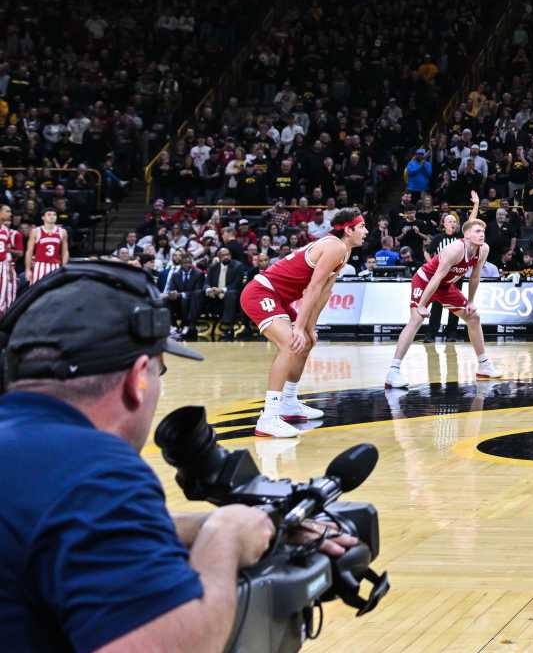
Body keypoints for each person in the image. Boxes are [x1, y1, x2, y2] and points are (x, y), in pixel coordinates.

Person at [0, 262, 357, 651]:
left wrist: (251, 523)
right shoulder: (92, 469)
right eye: (160, 371)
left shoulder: (41, 466)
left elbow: (65, 527)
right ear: (139, 378)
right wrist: (225, 535)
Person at [239, 209, 369, 437]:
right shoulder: (334, 247)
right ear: (348, 230)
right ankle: (268, 418)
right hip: (261, 292)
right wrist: (298, 327)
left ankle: (289, 403)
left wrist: (309, 327)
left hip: (278, 297)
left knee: (305, 342)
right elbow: (313, 288)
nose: (366, 232)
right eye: (361, 227)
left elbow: (324, 294)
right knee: (291, 343)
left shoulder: (343, 251)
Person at [384, 218, 504, 387]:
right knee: (417, 319)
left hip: (445, 286)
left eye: (483, 231)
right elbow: (436, 277)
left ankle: (484, 365)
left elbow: (475, 276)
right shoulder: (455, 249)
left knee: (474, 317)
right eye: (477, 231)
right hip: (425, 280)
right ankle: (393, 371)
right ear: (467, 234)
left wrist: (470, 301)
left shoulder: (483, 249)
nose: (482, 234)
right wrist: (422, 305)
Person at [422, 193, 479, 344]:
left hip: (456, 277)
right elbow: (427, 252)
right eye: (449, 221)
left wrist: (476, 205)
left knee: (455, 307)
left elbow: (471, 222)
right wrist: (431, 267)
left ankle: (451, 332)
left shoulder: (461, 237)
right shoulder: (438, 238)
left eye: (454, 221)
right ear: (444, 224)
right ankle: (431, 333)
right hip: (440, 277)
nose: (453, 223)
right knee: (436, 306)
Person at [25, 208, 68, 284]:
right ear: (43, 217)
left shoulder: (62, 232)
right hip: (40, 265)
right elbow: (29, 251)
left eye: (54, 215)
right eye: (49, 214)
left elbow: (65, 252)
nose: (52, 216)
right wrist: (28, 269)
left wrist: (64, 267)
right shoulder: (36, 231)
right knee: (37, 291)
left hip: (55, 266)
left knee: (55, 291)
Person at [0, 204, 17, 313]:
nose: (10, 214)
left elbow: (6, 250)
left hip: (3, 265)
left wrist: (10, 267)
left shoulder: (5, 230)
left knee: (3, 295)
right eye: (7, 211)